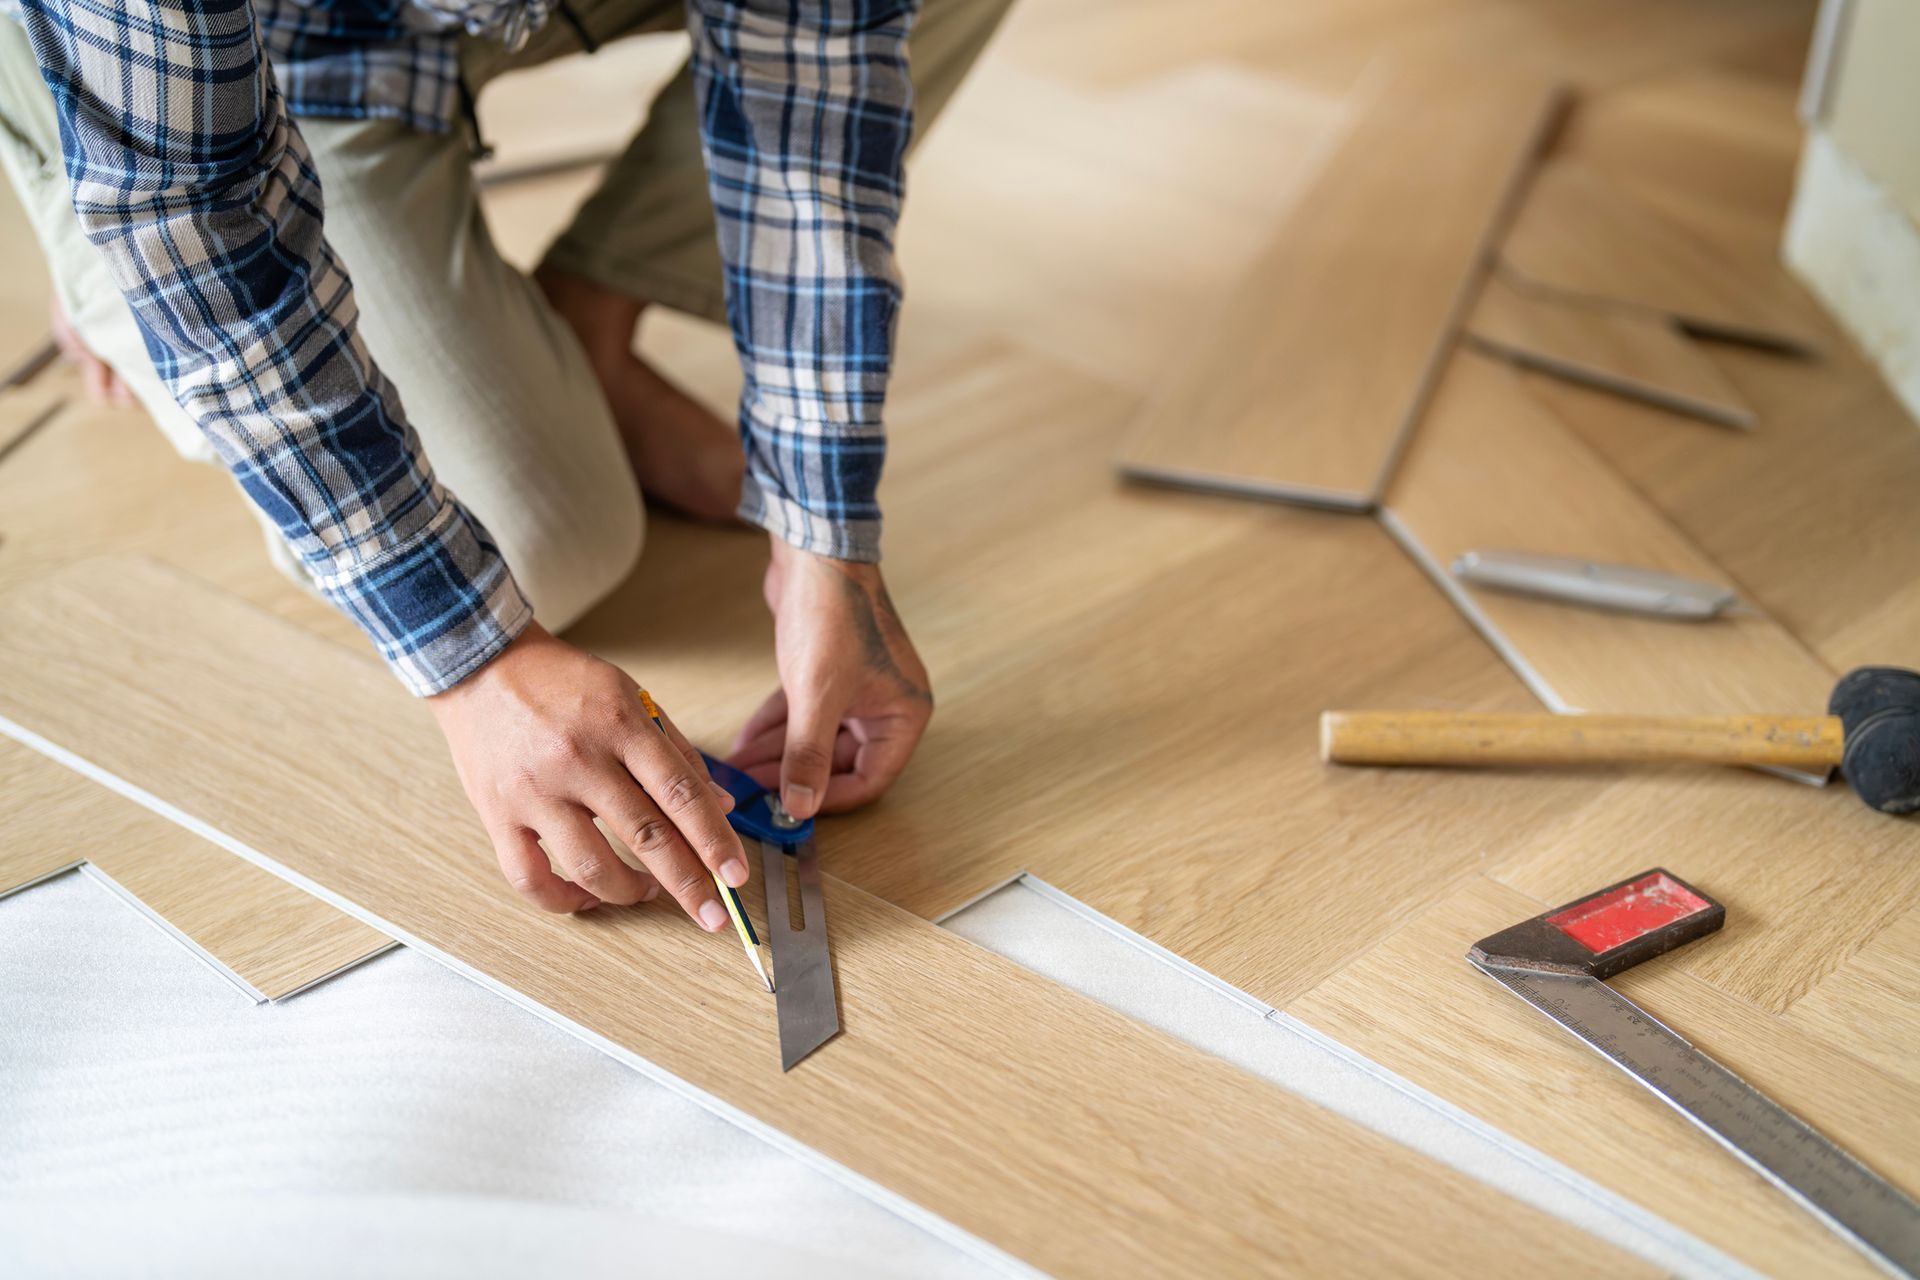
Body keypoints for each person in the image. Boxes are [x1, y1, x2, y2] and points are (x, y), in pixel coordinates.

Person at [0, 0, 1007, 929]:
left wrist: (821, 532)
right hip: (224, 72)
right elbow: (190, 211)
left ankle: (589, 329)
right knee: (542, 547)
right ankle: (76, 186)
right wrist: (479, 664)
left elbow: (816, 57)